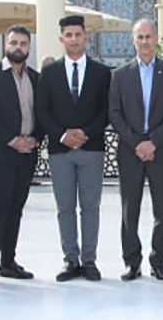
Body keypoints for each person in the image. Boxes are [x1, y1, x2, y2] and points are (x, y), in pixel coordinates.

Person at [38, 14, 111, 281]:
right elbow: (42, 110)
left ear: (85, 37)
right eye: (68, 35)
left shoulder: (102, 72)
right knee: (65, 208)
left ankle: (89, 261)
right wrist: (62, 135)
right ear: (61, 39)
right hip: (60, 151)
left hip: (92, 148)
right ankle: (70, 259)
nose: (73, 39)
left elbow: (107, 110)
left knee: (90, 207)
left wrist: (86, 133)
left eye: (78, 34)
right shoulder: (50, 73)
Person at [109, 18, 163, 281]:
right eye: (139, 37)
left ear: (156, 39)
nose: (144, 42)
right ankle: (132, 261)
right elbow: (114, 113)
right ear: (133, 40)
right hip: (130, 152)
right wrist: (137, 143)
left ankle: (159, 261)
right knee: (130, 210)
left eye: (148, 36)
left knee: (162, 209)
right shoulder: (119, 75)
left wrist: (153, 142)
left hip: (161, 151)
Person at [0, 24, 43, 287]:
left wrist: (35, 138)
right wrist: (11, 140)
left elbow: (42, 113)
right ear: (5, 45)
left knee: (16, 208)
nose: (18, 47)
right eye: (14, 43)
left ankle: (8, 262)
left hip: (26, 153)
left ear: (29, 47)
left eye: (23, 43)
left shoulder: (35, 78)